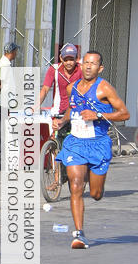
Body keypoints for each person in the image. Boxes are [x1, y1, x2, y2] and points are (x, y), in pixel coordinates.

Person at [53, 51, 129, 249]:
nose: (88, 66)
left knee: (95, 193)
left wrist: (98, 114)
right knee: (76, 186)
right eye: (85, 62)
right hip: (76, 142)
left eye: (93, 64)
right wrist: (62, 121)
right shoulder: (72, 88)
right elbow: (72, 108)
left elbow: (124, 113)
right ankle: (79, 234)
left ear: (99, 68)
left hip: (98, 143)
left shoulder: (104, 88)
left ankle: (94, 181)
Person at [0, 41, 18, 160]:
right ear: (12, 52)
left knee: (2, 126)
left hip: (4, 101)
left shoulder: (5, 64)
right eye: (16, 51)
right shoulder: (4, 65)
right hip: (1, 101)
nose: (16, 54)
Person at [38, 43, 82, 120]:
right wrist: (35, 106)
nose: (68, 62)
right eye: (65, 60)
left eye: (71, 59)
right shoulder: (54, 69)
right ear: (61, 58)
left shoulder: (82, 69)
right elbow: (45, 89)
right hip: (58, 112)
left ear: (77, 58)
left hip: (77, 113)